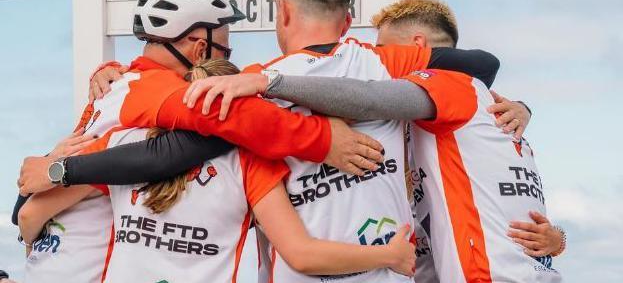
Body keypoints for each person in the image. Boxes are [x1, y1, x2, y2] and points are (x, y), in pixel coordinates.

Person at [15, 0, 385, 283]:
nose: (228, 61)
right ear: (200, 48)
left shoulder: (116, 89)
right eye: (226, 50)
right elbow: (236, 117)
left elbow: (28, 212)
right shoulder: (156, 90)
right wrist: (322, 140)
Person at [185, 0, 566, 282]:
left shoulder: (453, 91)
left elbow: (369, 97)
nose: (377, 62)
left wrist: (270, 82)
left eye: (383, 50)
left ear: (417, 50)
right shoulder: (462, 115)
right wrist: (558, 240)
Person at [21, 58, 416, 283]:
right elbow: (302, 254)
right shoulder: (250, 161)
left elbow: (29, 214)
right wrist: (388, 255)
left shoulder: (122, 145)